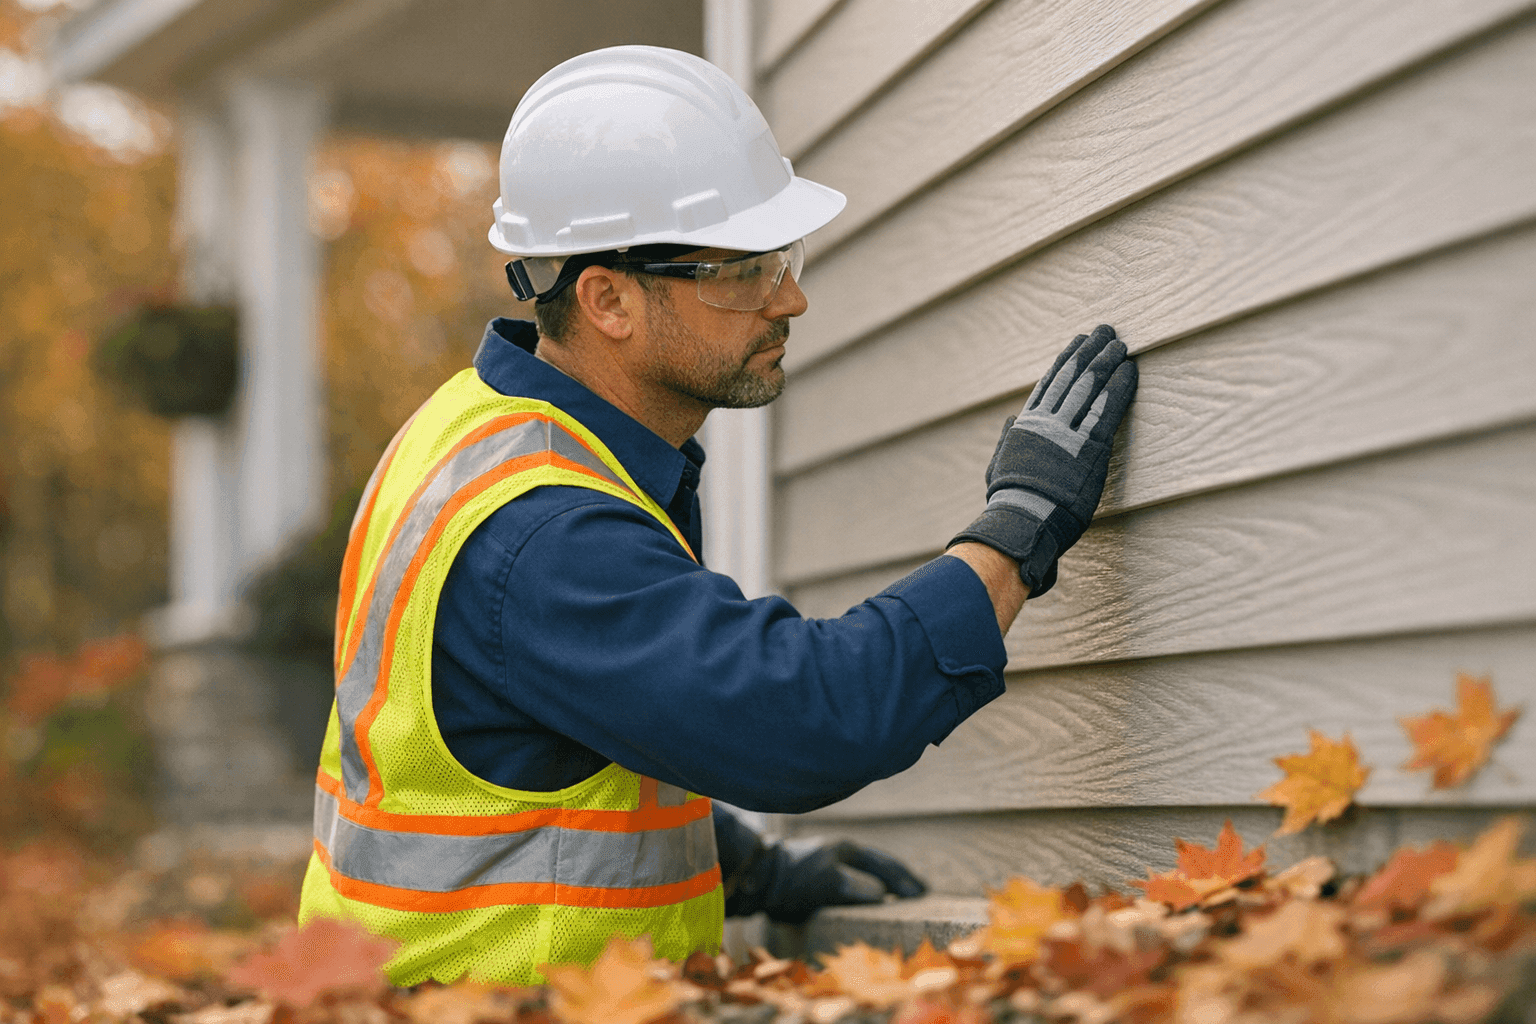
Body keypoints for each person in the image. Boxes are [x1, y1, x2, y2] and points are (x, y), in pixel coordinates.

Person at [298, 45, 1137, 986]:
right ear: (608, 298)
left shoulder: (473, 438)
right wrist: (1017, 528)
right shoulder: (540, 528)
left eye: (782, 256)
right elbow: (802, 719)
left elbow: (550, 745)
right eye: (740, 269)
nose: (790, 296)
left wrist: (756, 872)